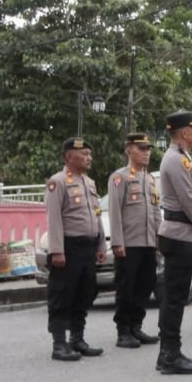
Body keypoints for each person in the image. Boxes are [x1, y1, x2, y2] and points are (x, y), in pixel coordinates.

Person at [156, 110, 192, 374]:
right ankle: (170, 355)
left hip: (180, 233)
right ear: (184, 132)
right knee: (175, 297)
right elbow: (190, 199)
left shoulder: (180, 157)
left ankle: (168, 352)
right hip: (179, 234)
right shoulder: (178, 160)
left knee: (175, 296)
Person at [44, 138, 107, 361]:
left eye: (90, 154)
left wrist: (101, 244)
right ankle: (59, 343)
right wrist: (57, 251)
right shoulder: (58, 182)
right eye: (84, 154)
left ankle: (77, 339)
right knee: (62, 295)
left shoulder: (89, 183)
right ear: (70, 156)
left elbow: (97, 216)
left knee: (84, 293)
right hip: (69, 248)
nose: (89, 158)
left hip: (88, 247)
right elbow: (54, 219)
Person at [108, 133, 161, 349]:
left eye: (148, 148)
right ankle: (123, 330)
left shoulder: (149, 179)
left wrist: (159, 241)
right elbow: (114, 211)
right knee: (126, 287)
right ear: (129, 149)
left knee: (145, 286)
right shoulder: (119, 178)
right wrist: (117, 242)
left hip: (149, 242)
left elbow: (156, 211)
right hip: (129, 243)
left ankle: (136, 326)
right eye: (141, 148)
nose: (146, 152)